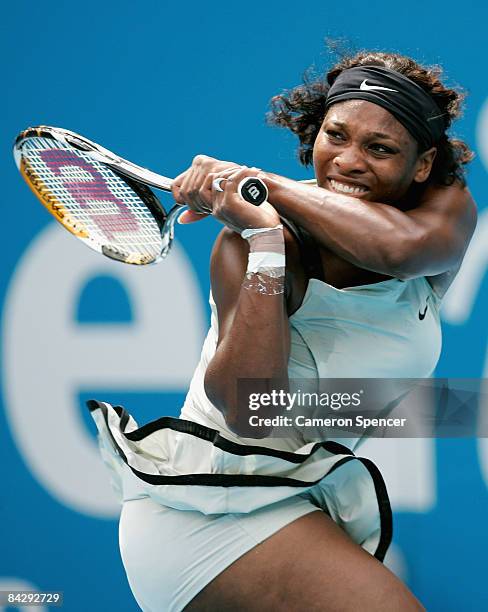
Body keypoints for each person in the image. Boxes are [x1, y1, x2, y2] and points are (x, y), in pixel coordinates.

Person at [88, 50, 476, 611]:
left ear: (423, 163)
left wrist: (256, 181)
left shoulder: (443, 211)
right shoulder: (259, 242)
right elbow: (250, 409)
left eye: (380, 148)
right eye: (335, 136)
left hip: (291, 498)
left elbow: (398, 249)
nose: (348, 161)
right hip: (208, 515)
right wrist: (266, 243)